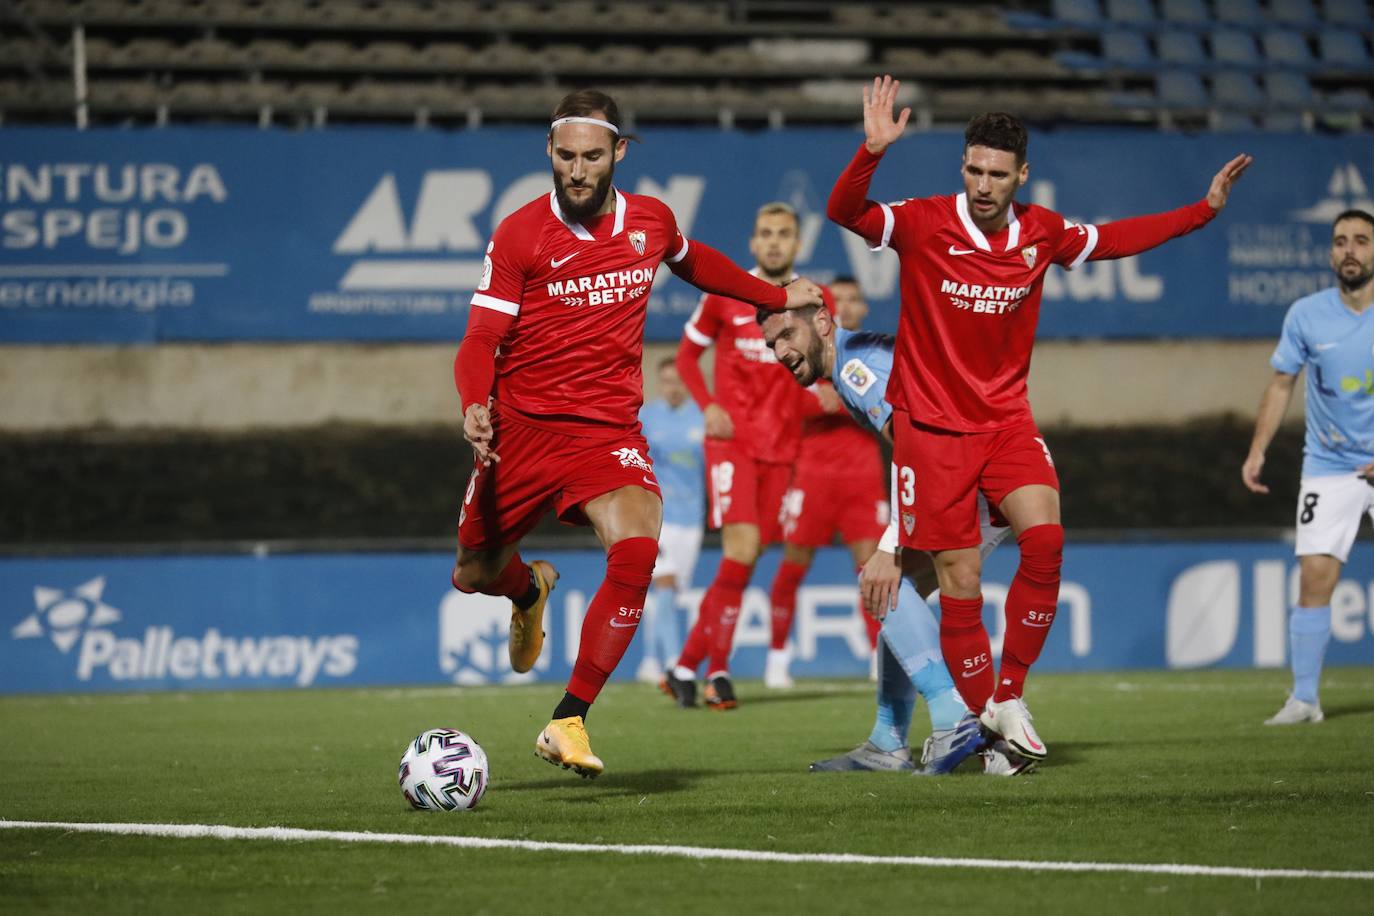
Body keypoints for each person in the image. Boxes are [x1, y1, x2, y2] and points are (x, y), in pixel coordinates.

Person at [828, 75, 1250, 761]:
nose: (983, 184)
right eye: (973, 169)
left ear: (1022, 175)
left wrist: (1201, 211)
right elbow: (846, 210)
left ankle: (1008, 696)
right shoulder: (925, 222)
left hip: (1005, 424)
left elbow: (1115, 239)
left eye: (997, 173)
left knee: (1046, 541)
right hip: (932, 434)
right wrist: (871, 152)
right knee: (959, 585)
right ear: (962, 166)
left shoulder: (1042, 232)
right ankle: (986, 731)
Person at [452, 89, 822, 779]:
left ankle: (569, 719)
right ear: (549, 153)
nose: (578, 170)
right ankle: (529, 592)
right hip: (522, 430)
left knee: (638, 545)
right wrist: (476, 402)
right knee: (472, 573)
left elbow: (694, 261)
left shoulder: (650, 222)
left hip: (606, 429)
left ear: (619, 152)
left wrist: (773, 296)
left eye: (593, 156)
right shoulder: (519, 235)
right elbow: (480, 338)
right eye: (565, 156)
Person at [759, 303, 1029, 776]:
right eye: (772, 344)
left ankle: (953, 722)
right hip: (978, 472)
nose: (781, 351)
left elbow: (915, 445)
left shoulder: (857, 368)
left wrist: (891, 542)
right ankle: (894, 740)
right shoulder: (850, 363)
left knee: (884, 581)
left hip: (970, 478)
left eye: (786, 335)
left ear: (822, 322)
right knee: (892, 591)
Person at [664, 201, 821, 710]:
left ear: (797, 244)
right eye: (765, 233)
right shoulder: (725, 291)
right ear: (753, 243)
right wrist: (708, 406)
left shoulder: (815, 303)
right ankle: (720, 673)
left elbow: (821, 370)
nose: (774, 242)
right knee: (741, 549)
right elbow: (687, 357)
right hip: (732, 443)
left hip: (782, 449)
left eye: (784, 234)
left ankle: (684, 666)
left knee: (746, 559)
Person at [1242, 209, 1374, 726]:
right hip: (1329, 466)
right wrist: (1258, 451)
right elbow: (1281, 385)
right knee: (1314, 578)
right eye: (1340, 241)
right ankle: (1304, 699)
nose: (1349, 250)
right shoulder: (1306, 314)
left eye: (1361, 241)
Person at [766, 277, 889, 689]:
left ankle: (880, 655)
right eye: (842, 299)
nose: (849, 306)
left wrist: (837, 395)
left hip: (863, 479)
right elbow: (788, 402)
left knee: (873, 570)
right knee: (792, 569)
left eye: (855, 298)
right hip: (813, 478)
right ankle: (778, 656)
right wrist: (821, 397)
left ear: (864, 307)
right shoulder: (801, 350)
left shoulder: (873, 351)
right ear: (825, 311)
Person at [638, 357, 705, 688]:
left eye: (678, 380)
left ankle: (651, 659)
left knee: (671, 595)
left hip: (692, 520)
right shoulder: (647, 418)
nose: (673, 387)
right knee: (663, 587)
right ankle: (673, 663)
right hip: (658, 517)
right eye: (666, 381)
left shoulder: (703, 418)